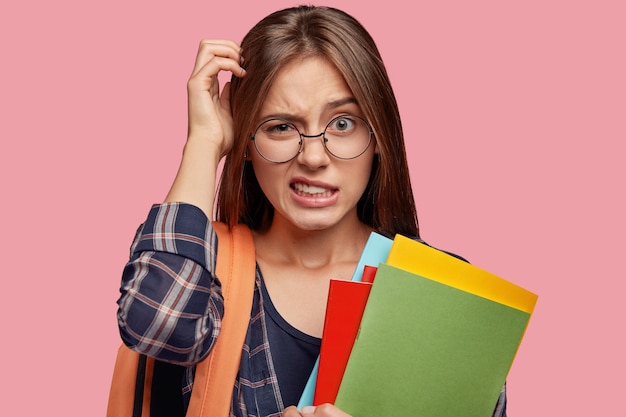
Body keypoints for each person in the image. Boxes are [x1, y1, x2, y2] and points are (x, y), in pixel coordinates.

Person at [116, 5, 507, 417]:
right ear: (246, 144)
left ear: (378, 135)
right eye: (281, 126)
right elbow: (159, 323)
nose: (314, 156)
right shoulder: (203, 271)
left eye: (343, 123)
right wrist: (203, 143)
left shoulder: (443, 292)